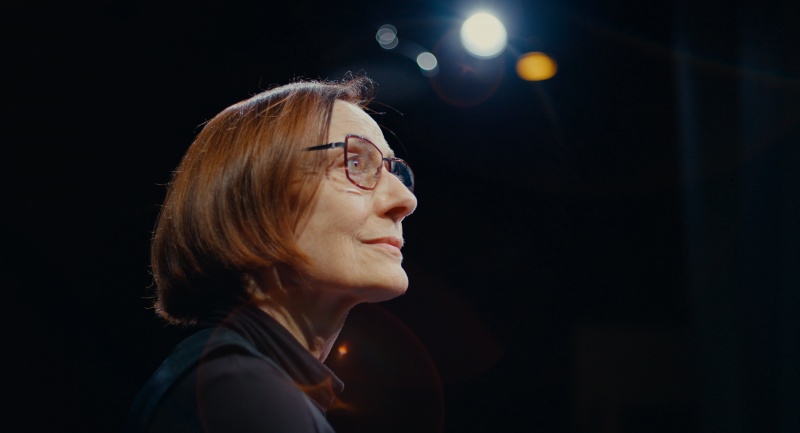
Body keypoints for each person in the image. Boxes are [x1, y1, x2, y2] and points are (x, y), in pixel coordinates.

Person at [125, 77, 417, 433]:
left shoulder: (248, 386)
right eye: (354, 164)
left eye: (393, 171)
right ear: (251, 196)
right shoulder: (236, 393)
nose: (405, 200)